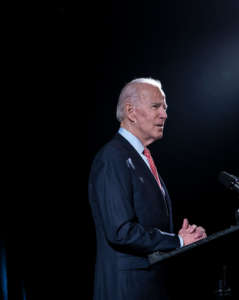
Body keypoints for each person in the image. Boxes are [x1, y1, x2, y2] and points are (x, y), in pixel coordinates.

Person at [88, 78, 207, 300]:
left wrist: (180, 237)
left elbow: (148, 226)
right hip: (127, 291)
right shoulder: (113, 157)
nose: (164, 114)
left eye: (165, 108)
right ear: (131, 112)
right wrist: (177, 241)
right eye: (156, 106)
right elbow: (121, 231)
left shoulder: (140, 158)